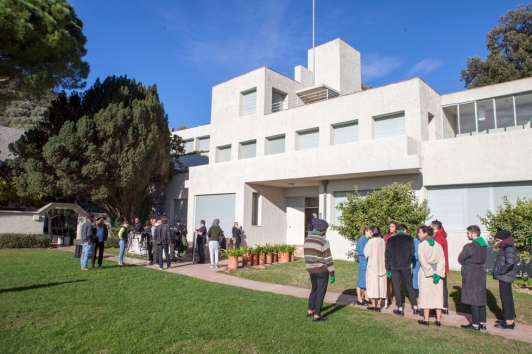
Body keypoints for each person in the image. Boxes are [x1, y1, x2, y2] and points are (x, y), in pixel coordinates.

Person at [304, 218, 335, 321]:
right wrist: (332, 273)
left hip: (311, 269)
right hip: (321, 270)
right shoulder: (324, 241)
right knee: (320, 292)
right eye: (326, 230)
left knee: (314, 290)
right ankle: (317, 315)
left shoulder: (307, 239)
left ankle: (310, 310)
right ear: (323, 230)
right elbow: (328, 259)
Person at [385, 224, 419, 316]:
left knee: (396, 285)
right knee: (409, 285)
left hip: (394, 266)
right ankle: (415, 307)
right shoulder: (409, 239)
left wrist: (387, 268)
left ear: (397, 230)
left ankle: (400, 308)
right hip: (406, 265)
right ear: (405, 230)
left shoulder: (390, 240)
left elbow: (387, 255)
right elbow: (412, 252)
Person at [458, 225, 488, 331]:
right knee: (481, 297)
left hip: (471, 272)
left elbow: (461, 258)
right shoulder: (484, 245)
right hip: (480, 271)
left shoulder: (470, 246)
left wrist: (467, 262)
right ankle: (482, 322)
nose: (467, 235)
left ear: (474, 234)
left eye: (468, 233)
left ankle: (475, 324)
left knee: (473, 298)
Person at [417, 225, 446, 327]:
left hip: (427, 274)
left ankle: (426, 319)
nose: (418, 234)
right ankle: (438, 319)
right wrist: (438, 273)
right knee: (437, 294)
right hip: (436, 271)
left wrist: (431, 273)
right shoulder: (438, 245)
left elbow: (423, 261)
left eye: (420, 232)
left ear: (425, 233)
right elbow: (442, 260)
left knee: (426, 295)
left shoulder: (422, 245)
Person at [492, 230, 517, 329]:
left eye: (498, 240)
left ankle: (509, 322)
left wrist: (499, 271)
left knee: (505, 298)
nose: (498, 242)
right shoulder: (506, 248)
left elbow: (510, 264)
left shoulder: (509, 249)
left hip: (505, 276)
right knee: (507, 298)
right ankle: (509, 318)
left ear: (504, 239)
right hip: (505, 276)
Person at [364, 226, 386, 311]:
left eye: (370, 231)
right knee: (381, 285)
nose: (369, 233)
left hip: (373, 265)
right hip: (382, 265)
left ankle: (373, 304)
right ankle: (379, 305)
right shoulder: (383, 241)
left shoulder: (371, 241)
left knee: (373, 284)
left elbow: (366, 253)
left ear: (373, 232)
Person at [431, 219, 449, 315]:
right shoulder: (442, 236)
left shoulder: (437, 237)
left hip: (438, 266)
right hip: (443, 266)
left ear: (434, 227)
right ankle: (445, 306)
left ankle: (438, 307)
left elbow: (436, 253)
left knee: (437, 287)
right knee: (444, 287)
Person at [355, 226, 370, 306]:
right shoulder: (361, 240)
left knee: (367, 281)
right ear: (366, 232)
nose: (371, 233)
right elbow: (360, 251)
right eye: (370, 232)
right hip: (363, 262)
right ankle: (359, 299)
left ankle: (367, 298)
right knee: (361, 281)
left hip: (368, 263)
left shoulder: (369, 240)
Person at [384, 222, 398, 307]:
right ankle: (388, 297)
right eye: (390, 227)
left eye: (393, 227)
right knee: (388, 281)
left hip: (396, 260)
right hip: (388, 260)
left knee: (396, 281)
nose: (391, 228)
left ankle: (397, 298)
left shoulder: (397, 237)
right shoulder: (386, 237)